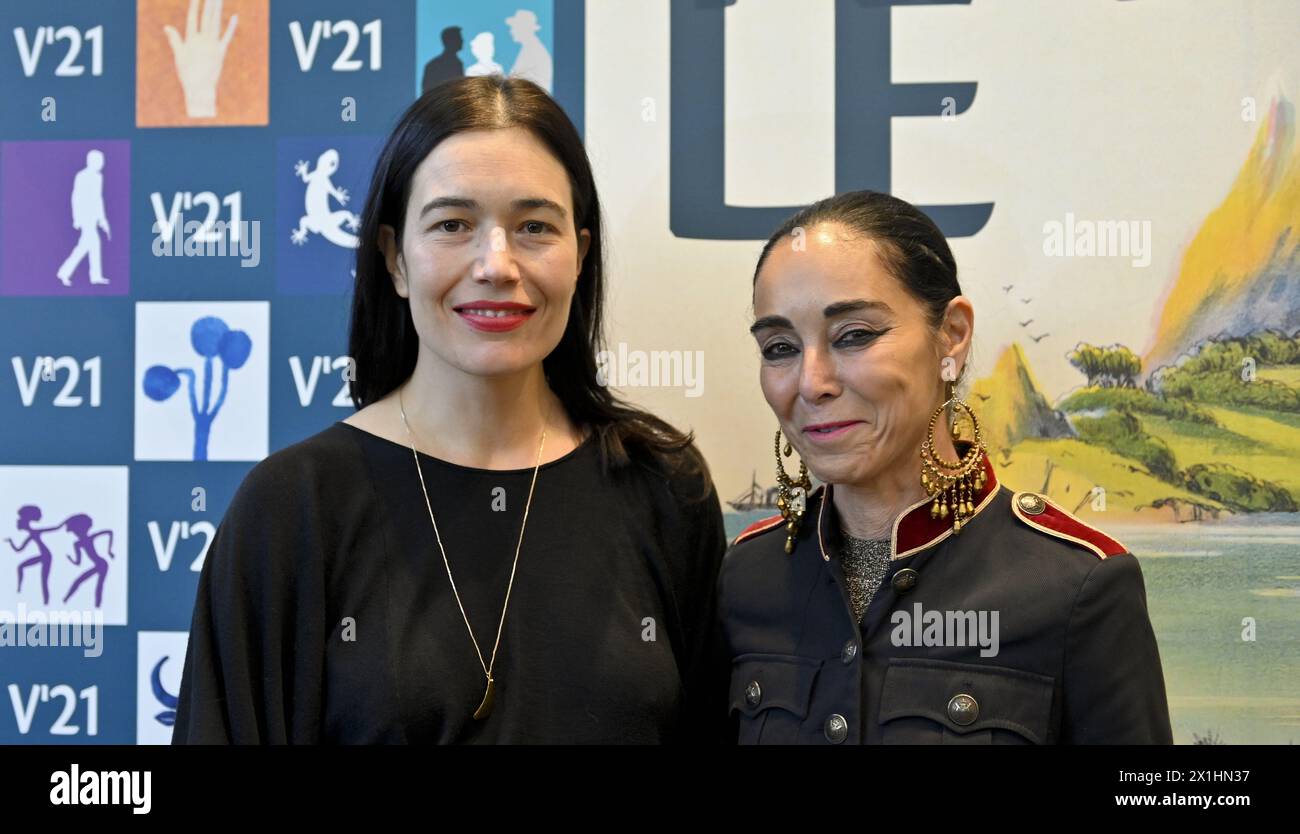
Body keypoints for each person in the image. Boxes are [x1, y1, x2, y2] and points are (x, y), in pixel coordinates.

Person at [172, 76, 726, 744]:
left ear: (580, 255)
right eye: (453, 225)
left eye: (534, 227)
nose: (496, 264)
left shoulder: (662, 488)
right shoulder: (294, 507)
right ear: (394, 261)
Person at [717, 190, 1173, 744]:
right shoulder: (749, 576)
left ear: (951, 335)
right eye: (780, 347)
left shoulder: (1077, 586)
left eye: (854, 335)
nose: (812, 382)